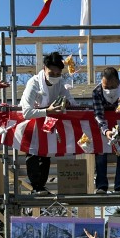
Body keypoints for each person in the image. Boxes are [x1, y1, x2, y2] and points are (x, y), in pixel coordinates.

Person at [20, 51, 77, 195]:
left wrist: (68, 103)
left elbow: (72, 101)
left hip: (48, 123)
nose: (55, 77)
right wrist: (47, 110)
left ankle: (41, 186)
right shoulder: (33, 83)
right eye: (52, 73)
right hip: (32, 123)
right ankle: (35, 186)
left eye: (58, 74)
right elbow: (26, 112)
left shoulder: (60, 83)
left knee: (46, 152)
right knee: (33, 153)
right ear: (44, 68)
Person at [91, 67, 120, 194]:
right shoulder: (97, 91)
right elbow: (98, 114)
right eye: (106, 87)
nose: (109, 90)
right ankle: (101, 185)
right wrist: (105, 131)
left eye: (112, 87)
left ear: (118, 81)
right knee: (100, 153)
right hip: (104, 127)